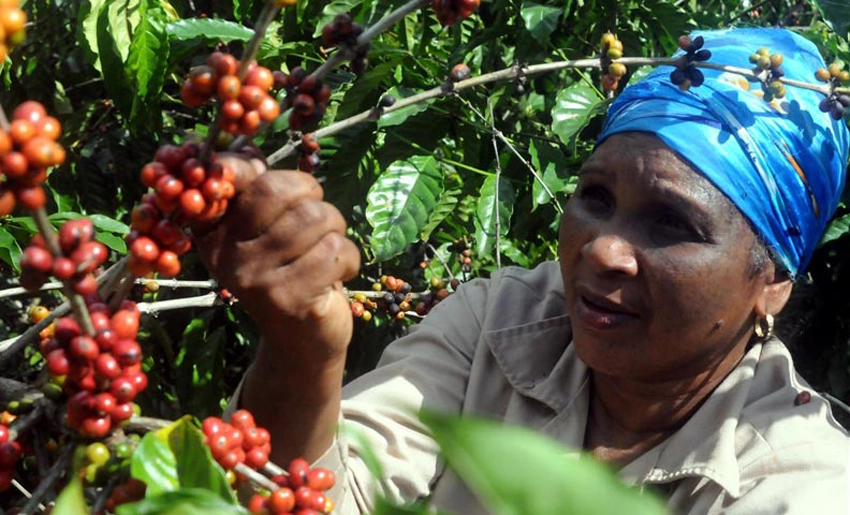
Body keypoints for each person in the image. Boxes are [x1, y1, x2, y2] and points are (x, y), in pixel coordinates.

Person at [195, 28, 850, 513]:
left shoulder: (800, 485)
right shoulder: (503, 323)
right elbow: (315, 496)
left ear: (772, 283)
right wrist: (304, 350)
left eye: (672, 224)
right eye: (595, 198)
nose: (602, 250)